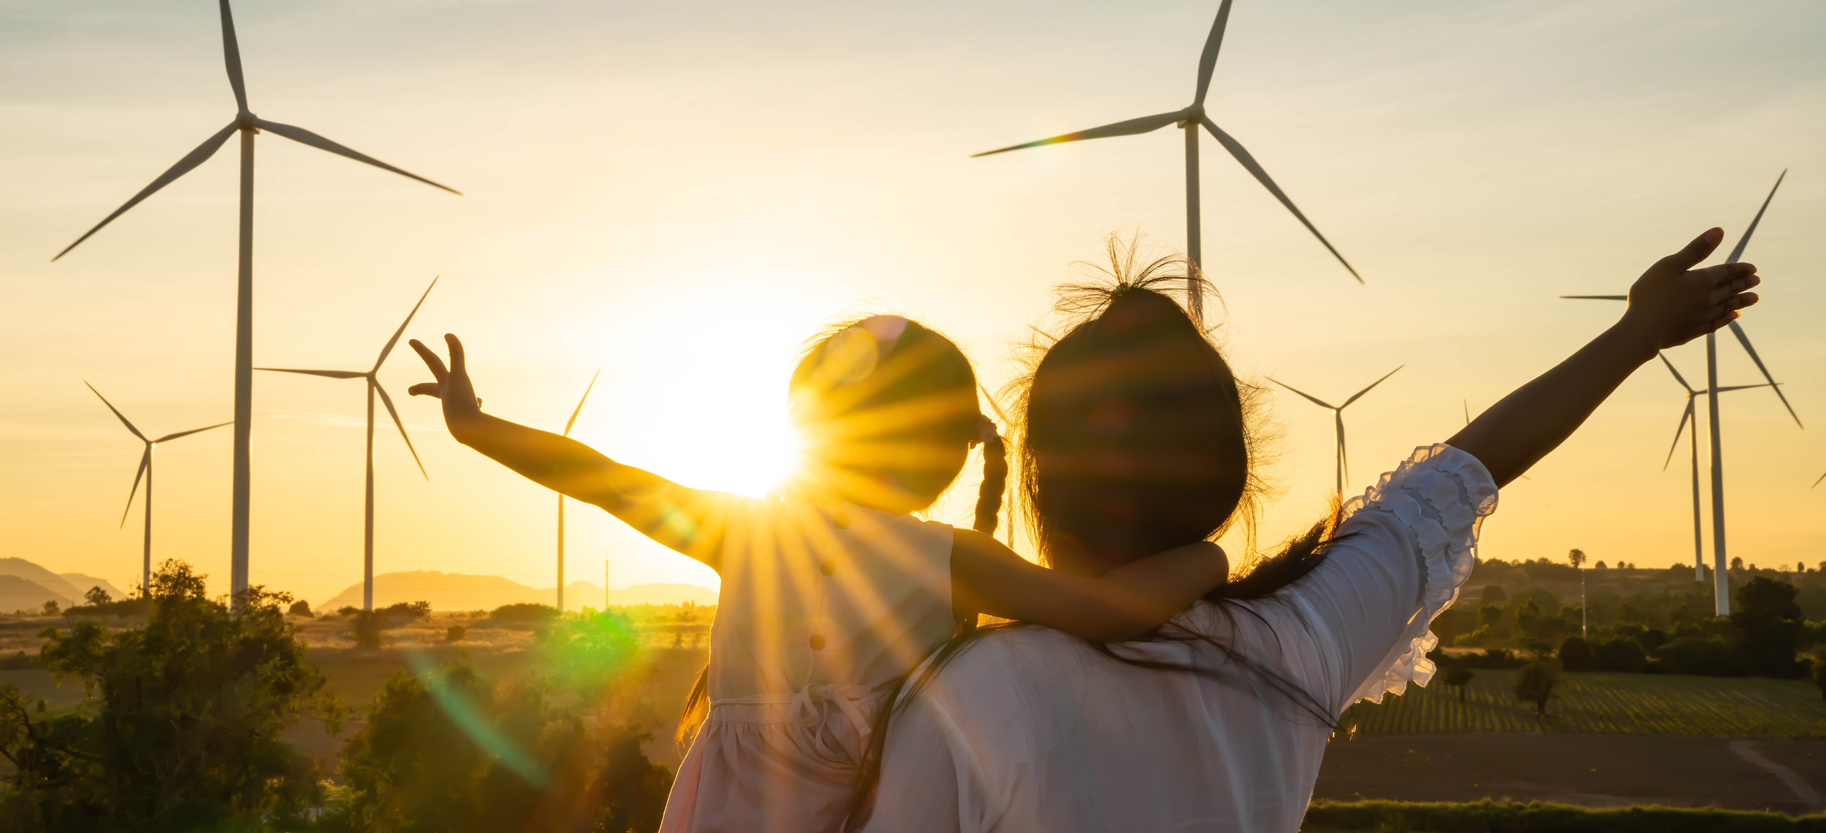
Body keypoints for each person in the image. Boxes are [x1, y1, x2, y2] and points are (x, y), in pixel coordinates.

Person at [853, 229, 1761, 832]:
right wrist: (1637, 332)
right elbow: (1468, 468)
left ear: (1039, 480)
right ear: (1227, 474)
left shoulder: (970, 692)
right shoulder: (1296, 642)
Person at [406, 313, 1229, 833]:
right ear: (942, 453)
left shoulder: (746, 531)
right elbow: (1104, 610)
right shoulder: (946, 558)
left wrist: (476, 427)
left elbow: (598, 477)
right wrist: (1207, 556)